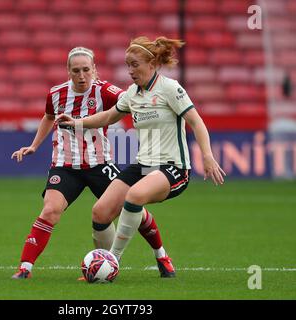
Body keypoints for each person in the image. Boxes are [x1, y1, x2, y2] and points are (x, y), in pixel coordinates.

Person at [57, 37, 226, 275]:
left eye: (135, 64)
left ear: (152, 63)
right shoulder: (132, 94)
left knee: (134, 196)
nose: (130, 70)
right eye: (128, 65)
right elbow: (107, 117)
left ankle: (111, 262)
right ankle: (162, 256)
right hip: (143, 166)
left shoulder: (170, 88)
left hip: (173, 167)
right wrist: (76, 123)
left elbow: (196, 122)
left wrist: (207, 155)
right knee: (100, 211)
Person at [11, 46, 174, 279]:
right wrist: (34, 145)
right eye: (76, 71)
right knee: (50, 210)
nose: (81, 76)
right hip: (65, 166)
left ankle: (161, 256)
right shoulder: (56, 94)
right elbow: (48, 116)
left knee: (133, 206)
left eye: (86, 70)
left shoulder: (106, 91)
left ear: (94, 70)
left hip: (100, 164)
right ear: (68, 72)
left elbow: (132, 100)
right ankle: (25, 268)